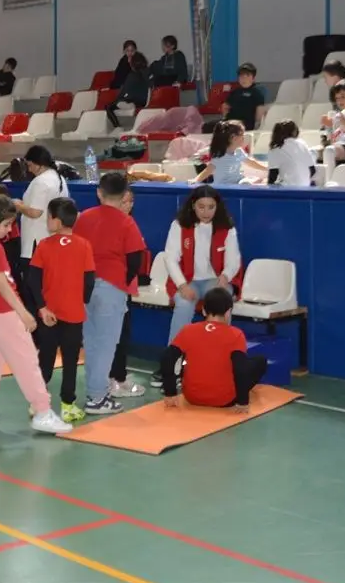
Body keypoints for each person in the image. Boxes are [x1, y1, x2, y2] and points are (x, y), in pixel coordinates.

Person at [0, 193, 71, 435]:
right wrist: (23, 313)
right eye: (6, 225)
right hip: (3, 313)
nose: (8, 230)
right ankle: (43, 411)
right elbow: (2, 284)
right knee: (27, 361)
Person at [72, 172, 146, 414]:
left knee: (91, 342)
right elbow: (135, 258)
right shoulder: (126, 222)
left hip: (85, 285)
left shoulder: (84, 217)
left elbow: (74, 249)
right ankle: (97, 398)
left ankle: (95, 392)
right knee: (106, 345)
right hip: (111, 285)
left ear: (99, 192)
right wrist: (124, 280)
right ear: (124, 195)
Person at [155, 185, 241, 387]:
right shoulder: (179, 225)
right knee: (184, 305)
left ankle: (220, 363)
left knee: (220, 303)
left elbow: (234, 260)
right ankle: (172, 366)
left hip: (215, 280)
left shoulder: (227, 228)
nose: (206, 212)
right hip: (187, 280)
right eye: (201, 207)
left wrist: (225, 277)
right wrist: (182, 285)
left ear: (217, 207)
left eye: (211, 207)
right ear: (193, 205)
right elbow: (170, 258)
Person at [26, 198, 94, 423]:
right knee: (71, 360)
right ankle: (68, 405)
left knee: (45, 357)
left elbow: (33, 279)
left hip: (49, 314)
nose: (47, 221)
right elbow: (89, 280)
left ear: (56, 221)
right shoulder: (84, 245)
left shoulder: (44, 245)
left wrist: (41, 307)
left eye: (48, 217)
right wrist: (81, 300)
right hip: (74, 314)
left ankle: (37, 402)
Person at [160, 288, 267, 412]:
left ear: (204, 310)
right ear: (228, 312)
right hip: (225, 400)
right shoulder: (236, 334)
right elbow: (240, 369)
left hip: (192, 397)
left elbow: (167, 357)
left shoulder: (188, 330)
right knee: (260, 361)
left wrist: (170, 393)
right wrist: (243, 402)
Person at [9, 145, 69, 316]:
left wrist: (18, 205)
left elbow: (35, 212)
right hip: (52, 240)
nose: (29, 169)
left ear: (38, 163)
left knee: (33, 289)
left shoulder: (41, 182)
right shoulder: (58, 178)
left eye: (30, 165)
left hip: (35, 244)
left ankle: (35, 326)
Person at [109, 188, 146, 398]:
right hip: (117, 287)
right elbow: (132, 259)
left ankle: (115, 375)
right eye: (124, 201)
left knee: (119, 333)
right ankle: (116, 379)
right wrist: (124, 280)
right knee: (118, 334)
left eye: (131, 201)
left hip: (120, 286)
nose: (128, 205)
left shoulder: (126, 223)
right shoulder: (121, 224)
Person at [192, 121, 268, 185]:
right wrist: (195, 180)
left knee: (250, 181)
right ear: (233, 138)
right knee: (247, 183)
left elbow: (250, 162)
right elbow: (208, 170)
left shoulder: (239, 151)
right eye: (242, 135)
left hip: (238, 182)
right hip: (224, 186)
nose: (244, 137)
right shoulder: (220, 155)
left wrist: (266, 168)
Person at [106, 52, 152, 129]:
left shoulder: (132, 75)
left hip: (132, 101)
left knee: (108, 107)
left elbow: (125, 91)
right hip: (144, 101)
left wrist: (118, 100)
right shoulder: (148, 72)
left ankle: (117, 127)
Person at [266, 120, 316, 187]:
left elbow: (272, 177)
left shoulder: (275, 149)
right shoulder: (302, 144)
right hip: (305, 187)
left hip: (288, 189)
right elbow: (312, 170)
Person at [220, 63, 266, 131]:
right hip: (229, 123)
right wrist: (224, 116)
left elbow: (259, 114)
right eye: (241, 75)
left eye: (247, 75)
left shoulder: (256, 94)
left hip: (244, 126)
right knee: (208, 126)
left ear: (253, 79)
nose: (244, 78)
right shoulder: (235, 92)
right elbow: (225, 106)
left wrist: (257, 127)